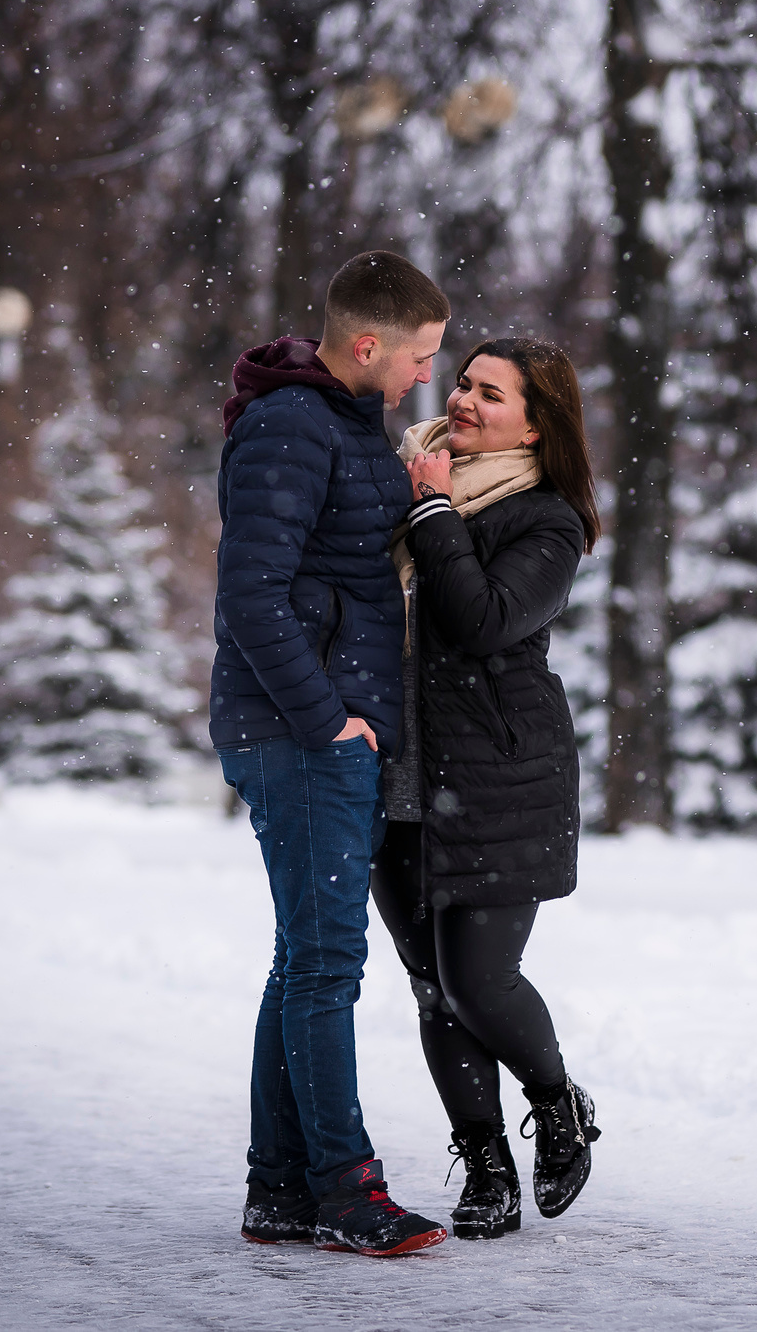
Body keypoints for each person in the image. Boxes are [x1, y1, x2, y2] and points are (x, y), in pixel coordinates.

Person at [213, 250, 451, 1257]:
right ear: (367, 346)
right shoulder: (291, 428)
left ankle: (280, 1189)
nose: (424, 380)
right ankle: (349, 1193)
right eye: (419, 359)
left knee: (301, 962)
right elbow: (253, 596)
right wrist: (325, 721)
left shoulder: (345, 424)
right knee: (326, 967)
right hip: (299, 733)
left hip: (311, 727)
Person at [374, 337, 602, 1241]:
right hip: (397, 769)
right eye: (463, 382)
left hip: (499, 776)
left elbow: (482, 621)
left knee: (479, 980)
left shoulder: (548, 520)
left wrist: (432, 509)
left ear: (536, 423)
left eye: (490, 393)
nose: (464, 399)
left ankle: (557, 1100)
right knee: (431, 986)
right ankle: (487, 1163)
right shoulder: (408, 478)